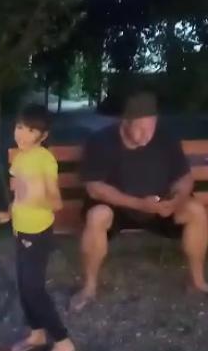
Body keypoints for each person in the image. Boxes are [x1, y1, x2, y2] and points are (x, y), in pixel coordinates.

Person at [72, 90, 208, 311]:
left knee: (196, 210)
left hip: (160, 206)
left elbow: (184, 178)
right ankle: (89, 288)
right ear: (125, 122)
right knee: (97, 216)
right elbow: (95, 188)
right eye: (141, 128)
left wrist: (175, 200)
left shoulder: (166, 138)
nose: (147, 134)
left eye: (151, 127)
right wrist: (139, 204)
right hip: (118, 208)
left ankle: (197, 282)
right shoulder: (100, 141)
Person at [0, 104, 77, 351]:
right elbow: (19, 197)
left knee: (34, 289)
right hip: (21, 229)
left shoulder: (44, 159)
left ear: (43, 136)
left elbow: (56, 202)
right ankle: (37, 334)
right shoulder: (20, 158)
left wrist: (36, 196)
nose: (22, 134)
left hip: (38, 233)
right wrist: (8, 214)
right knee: (23, 285)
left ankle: (64, 345)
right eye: (20, 127)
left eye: (31, 130)